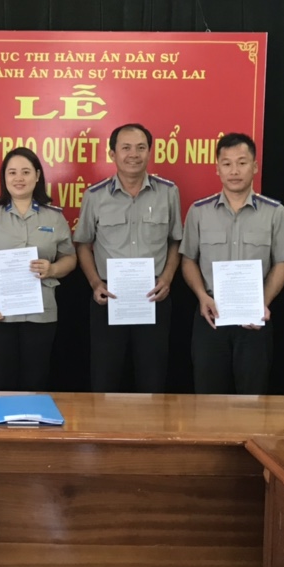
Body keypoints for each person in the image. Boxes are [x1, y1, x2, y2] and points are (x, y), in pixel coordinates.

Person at [180, 132, 284, 395]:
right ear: (217, 169)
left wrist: (262, 303)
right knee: (208, 395)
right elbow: (188, 260)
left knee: (252, 396)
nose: (234, 171)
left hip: (255, 319)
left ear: (255, 166)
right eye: (227, 164)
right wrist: (201, 296)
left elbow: (282, 262)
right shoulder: (199, 211)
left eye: (242, 163)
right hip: (211, 315)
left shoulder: (275, 212)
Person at [74, 124, 183, 393]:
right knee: (105, 379)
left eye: (140, 147)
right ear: (112, 154)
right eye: (126, 148)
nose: (133, 154)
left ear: (150, 152)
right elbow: (83, 244)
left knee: (153, 379)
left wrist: (168, 278)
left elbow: (175, 240)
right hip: (109, 297)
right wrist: (95, 283)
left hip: (154, 296)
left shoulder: (168, 192)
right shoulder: (95, 195)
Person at [0, 147, 76, 390]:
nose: (19, 178)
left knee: (35, 379)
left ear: (37, 176)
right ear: (4, 177)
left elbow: (70, 258)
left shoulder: (54, 217)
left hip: (41, 312)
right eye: (12, 172)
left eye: (26, 172)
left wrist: (53, 268)